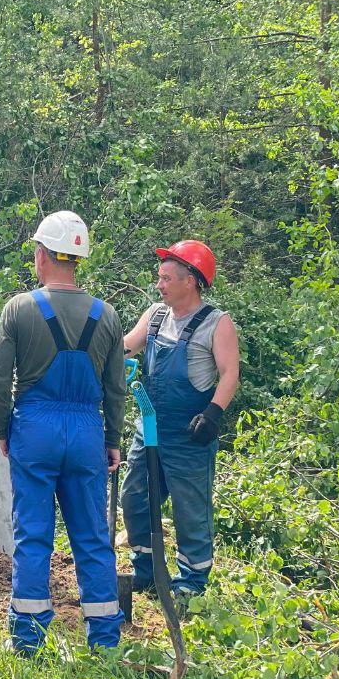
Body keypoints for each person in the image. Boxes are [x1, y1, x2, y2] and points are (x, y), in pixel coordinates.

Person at [0, 211, 125, 654]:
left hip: (35, 427)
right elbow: (116, 389)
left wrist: (5, 428)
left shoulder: (20, 308)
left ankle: (27, 639)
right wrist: (112, 439)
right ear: (78, 258)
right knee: (92, 537)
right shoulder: (107, 316)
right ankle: (104, 641)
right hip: (86, 430)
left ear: (42, 255)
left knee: (32, 534)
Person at [121, 240, 240, 601]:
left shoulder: (216, 324)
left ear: (190, 280)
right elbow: (125, 347)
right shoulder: (156, 315)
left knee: (190, 508)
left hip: (190, 434)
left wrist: (212, 413)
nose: (160, 285)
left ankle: (191, 581)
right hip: (150, 428)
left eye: (167, 278)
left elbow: (230, 373)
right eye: (160, 278)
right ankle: (146, 569)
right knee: (135, 496)